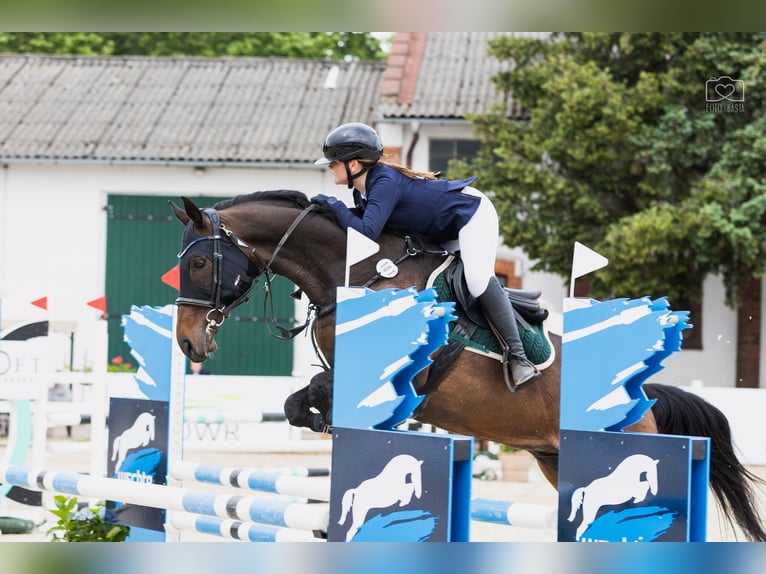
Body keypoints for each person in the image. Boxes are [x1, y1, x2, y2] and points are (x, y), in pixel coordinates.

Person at [312, 122, 539, 388]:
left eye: (334, 161)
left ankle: (519, 358)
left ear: (354, 165)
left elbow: (366, 233)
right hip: (443, 230)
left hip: (470, 216)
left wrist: (334, 206)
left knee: (477, 279)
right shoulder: (364, 191)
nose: (329, 167)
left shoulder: (383, 183)